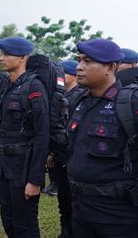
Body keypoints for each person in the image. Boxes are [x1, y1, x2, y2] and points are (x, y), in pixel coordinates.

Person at [68, 38, 138, 237]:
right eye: (79, 60)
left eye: (88, 61)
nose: (79, 67)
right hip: (82, 209)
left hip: (120, 216)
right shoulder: (79, 102)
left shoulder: (136, 104)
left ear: (110, 67)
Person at [0, 37, 49, 237]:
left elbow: (42, 135)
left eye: (6, 54)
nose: (1, 58)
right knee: (9, 219)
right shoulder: (8, 85)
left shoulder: (34, 88)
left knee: (25, 224)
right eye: (1, 53)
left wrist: (35, 180)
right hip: (5, 167)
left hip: (23, 168)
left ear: (22, 58)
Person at [47, 59, 83, 238]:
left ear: (74, 76)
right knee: (63, 197)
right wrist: (52, 151)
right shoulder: (58, 96)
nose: (60, 77)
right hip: (60, 155)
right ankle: (65, 230)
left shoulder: (82, 96)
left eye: (64, 74)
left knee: (75, 199)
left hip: (75, 157)